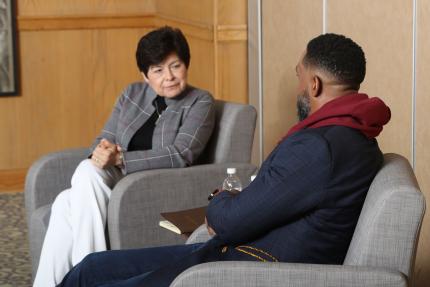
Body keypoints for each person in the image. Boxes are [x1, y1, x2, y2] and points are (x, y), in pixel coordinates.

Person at [58, 33, 391, 287]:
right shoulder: (356, 136)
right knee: (90, 267)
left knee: (88, 279)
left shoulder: (320, 147)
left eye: (299, 77)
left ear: (314, 84)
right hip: (234, 250)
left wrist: (219, 199)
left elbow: (231, 220)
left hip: (241, 265)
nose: (298, 87)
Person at [33, 26, 215, 287]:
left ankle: (89, 274)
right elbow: (104, 137)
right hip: (111, 181)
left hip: (147, 185)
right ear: (145, 75)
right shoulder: (131, 94)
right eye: (158, 70)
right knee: (76, 188)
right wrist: (101, 151)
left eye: (176, 66)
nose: (170, 77)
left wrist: (120, 159)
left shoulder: (200, 102)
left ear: (186, 64)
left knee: (69, 198)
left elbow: (181, 154)